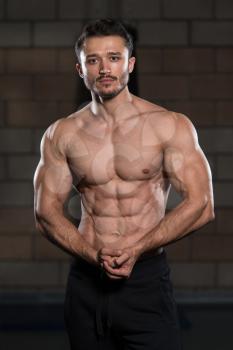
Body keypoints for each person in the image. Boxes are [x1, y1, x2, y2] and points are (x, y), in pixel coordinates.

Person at [33, 18, 214, 350]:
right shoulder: (62, 134)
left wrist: (136, 249)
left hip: (145, 282)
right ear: (80, 69)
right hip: (86, 282)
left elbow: (202, 204)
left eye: (114, 57)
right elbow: (45, 213)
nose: (104, 68)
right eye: (93, 60)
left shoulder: (169, 126)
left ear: (130, 64)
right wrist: (91, 254)